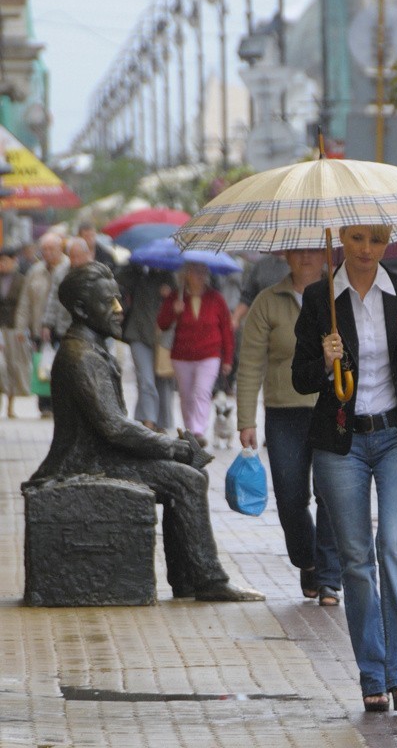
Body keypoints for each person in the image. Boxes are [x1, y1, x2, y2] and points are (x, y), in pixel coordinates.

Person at [30, 261, 264, 603]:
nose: (118, 309)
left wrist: (169, 448)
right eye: (107, 302)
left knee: (184, 476)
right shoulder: (80, 355)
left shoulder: (92, 348)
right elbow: (114, 427)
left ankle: (188, 579)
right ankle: (207, 579)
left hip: (100, 455)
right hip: (84, 463)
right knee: (187, 480)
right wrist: (170, 447)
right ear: (80, 309)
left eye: (118, 299)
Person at [292, 225, 397, 712]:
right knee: (357, 561)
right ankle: (373, 676)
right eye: (356, 239)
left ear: (385, 243)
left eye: (375, 240)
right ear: (342, 243)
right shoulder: (320, 299)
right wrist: (324, 358)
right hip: (340, 442)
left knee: (395, 548)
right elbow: (300, 375)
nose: (366, 249)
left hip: (396, 436)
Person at [236, 249, 342, 605]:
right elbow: (250, 364)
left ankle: (330, 576)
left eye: (314, 249)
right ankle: (307, 559)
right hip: (284, 410)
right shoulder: (267, 302)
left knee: (330, 491)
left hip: (331, 405)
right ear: (285, 255)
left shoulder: (338, 296)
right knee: (290, 494)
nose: (306, 257)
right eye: (298, 250)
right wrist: (246, 420)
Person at [157, 262, 234, 447]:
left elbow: (227, 330)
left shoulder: (216, 298)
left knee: (202, 391)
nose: (200, 276)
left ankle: (198, 430)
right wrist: (173, 311)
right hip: (182, 356)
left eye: (203, 272)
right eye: (195, 272)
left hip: (209, 355)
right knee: (186, 395)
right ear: (186, 274)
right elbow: (162, 324)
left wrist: (228, 359)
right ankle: (190, 429)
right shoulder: (176, 297)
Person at [15, 231, 69, 418]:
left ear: (60, 248)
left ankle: (60, 403)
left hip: (62, 327)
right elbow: (25, 302)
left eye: (51, 248)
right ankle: (45, 405)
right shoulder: (34, 271)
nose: (47, 252)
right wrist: (21, 327)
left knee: (61, 367)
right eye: (44, 249)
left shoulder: (68, 268)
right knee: (41, 365)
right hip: (39, 327)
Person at [118, 263, 177, 433]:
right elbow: (119, 281)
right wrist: (134, 265)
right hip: (138, 333)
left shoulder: (170, 276)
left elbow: (180, 304)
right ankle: (148, 422)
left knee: (163, 380)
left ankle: (161, 422)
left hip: (163, 338)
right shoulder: (137, 272)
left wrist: (170, 295)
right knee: (146, 380)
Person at [41, 237, 93, 345]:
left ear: (87, 254)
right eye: (73, 257)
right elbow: (53, 299)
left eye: (79, 256)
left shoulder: (96, 272)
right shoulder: (60, 273)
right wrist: (47, 324)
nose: (76, 260)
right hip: (65, 327)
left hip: (90, 328)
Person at [0, 245, 29, 417]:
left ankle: (10, 404)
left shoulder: (21, 280)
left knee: (12, 365)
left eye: (5, 261)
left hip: (12, 328)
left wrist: (22, 328)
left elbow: (24, 305)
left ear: (13, 261)